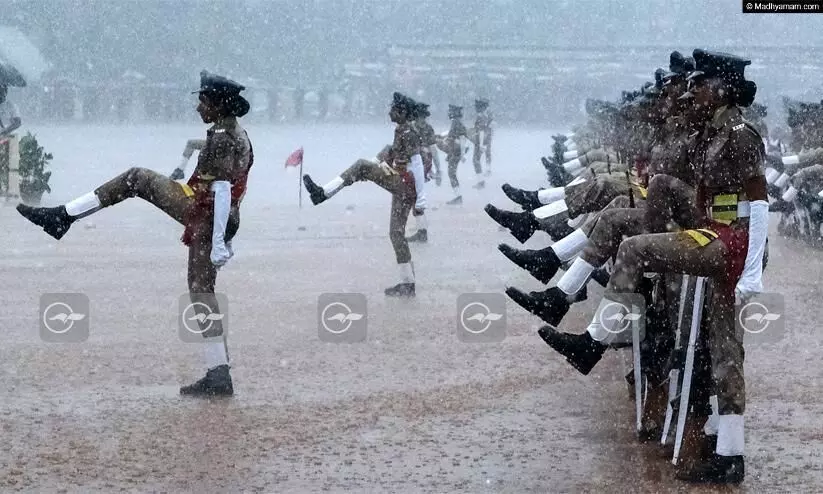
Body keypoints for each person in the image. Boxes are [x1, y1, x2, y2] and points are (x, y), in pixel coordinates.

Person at [540, 50, 767, 484]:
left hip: (733, 239)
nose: (693, 90)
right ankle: (727, 452)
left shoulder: (740, 134)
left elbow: (758, 204)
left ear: (722, 87)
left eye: (701, 83)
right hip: (710, 228)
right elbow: (673, 172)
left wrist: (752, 269)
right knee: (651, 212)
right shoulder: (709, 128)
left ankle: (730, 455)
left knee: (723, 348)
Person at [17, 71, 254, 397]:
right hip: (211, 213)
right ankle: (219, 374)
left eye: (202, 101)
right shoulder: (229, 133)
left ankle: (63, 217)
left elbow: (225, 190)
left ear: (216, 104)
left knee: (136, 178)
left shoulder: (225, 140)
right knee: (201, 291)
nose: (198, 107)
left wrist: (218, 244)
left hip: (206, 214)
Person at [302, 92, 422, 297]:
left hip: (403, 183)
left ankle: (323, 194)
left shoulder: (408, 132)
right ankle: (408, 283)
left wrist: (422, 198)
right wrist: (367, 172)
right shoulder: (401, 130)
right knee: (396, 234)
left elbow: (417, 164)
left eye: (393, 108)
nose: (389, 112)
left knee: (360, 164)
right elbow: (387, 156)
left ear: (401, 112)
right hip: (401, 183)